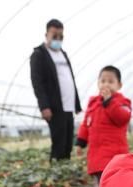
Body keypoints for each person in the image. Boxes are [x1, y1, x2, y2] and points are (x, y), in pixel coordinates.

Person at [30, 19, 82, 161]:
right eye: (54, 36)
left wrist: (76, 104)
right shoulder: (39, 55)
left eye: (61, 36)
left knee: (67, 143)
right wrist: (44, 106)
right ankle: (56, 173)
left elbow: (70, 80)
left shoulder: (63, 54)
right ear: (46, 34)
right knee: (58, 143)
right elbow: (37, 82)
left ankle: (64, 171)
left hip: (68, 106)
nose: (58, 39)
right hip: (55, 107)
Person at [75, 65, 132, 183]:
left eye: (111, 81)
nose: (106, 84)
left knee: (114, 182)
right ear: (98, 83)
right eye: (103, 81)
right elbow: (86, 124)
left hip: (115, 155)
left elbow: (123, 118)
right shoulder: (93, 103)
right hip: (96, 155)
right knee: (101, 182)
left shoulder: (122, 102)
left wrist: (109, 101)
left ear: (119, 85)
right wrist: (80, 142)